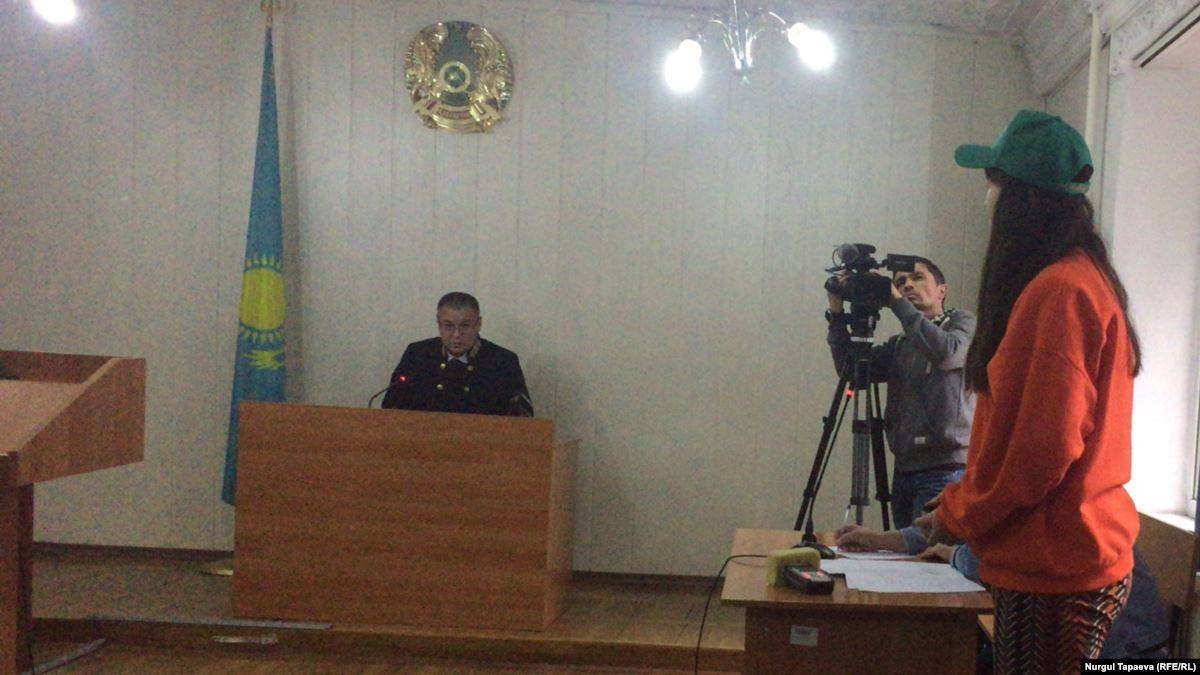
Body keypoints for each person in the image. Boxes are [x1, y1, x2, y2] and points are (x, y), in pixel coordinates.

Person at [919, 110, 1143, 673]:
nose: (987, 199)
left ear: (1023, 200)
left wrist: (959, 513)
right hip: (1064, 556)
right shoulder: (1081, 277)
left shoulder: (1059, 291)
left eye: (993, 184)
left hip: (1057, 566)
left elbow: (1040, 454)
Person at [835, 524, 1169, 660]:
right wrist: (885, 540)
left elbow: (993, 554)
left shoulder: (1048, 498)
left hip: (1128, 658)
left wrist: (954, 555)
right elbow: (966, 523)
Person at [826, 257, 976, 527]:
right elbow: (852, 372)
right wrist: (836, 314)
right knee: (904, 548)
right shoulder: (901, 344)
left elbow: (946, 353)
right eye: (899, 282)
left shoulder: (962, 324)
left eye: (917, 278)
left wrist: (896, 301)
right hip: (904, 471)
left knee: (926, 549)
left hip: (946, 470)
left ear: (942, 290)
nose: (907, 285)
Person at [382, 292, 533, 416]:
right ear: (438, 323)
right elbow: (390, 411)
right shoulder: (417, 355)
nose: (456, 335)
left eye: (465, 326)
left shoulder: (502, 362)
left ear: (478, 324)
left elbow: (523, 419)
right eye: (448, 326)